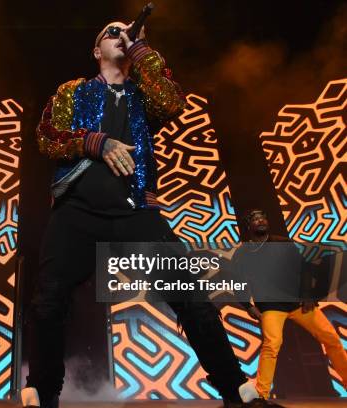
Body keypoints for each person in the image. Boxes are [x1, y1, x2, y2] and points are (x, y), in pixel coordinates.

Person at [21, 21, 261, 408]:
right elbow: (46, 136)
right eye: (110, 32)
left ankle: (237, 391)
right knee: (48, 301)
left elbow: (172, 102)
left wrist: (142, 51)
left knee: (192, 297)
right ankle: (44, 393)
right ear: (97, 50)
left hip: (135, 212)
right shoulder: (73, 92)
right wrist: (95, 142)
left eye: (125, 32)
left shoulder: (142, 95)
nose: (120, 33)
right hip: (76, 211)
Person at [234, 209, 347, 406]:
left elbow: (303, 269)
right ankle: (261, 394)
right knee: (272, 343)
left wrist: (308, 295)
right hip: (271, 306)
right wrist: (247, 306)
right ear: (248, 226)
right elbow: (237, 281)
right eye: (255, 219)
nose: (261, 220)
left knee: (331, 339)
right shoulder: (243, 252)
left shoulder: (282, 243)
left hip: (298, 303)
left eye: (263, 217)